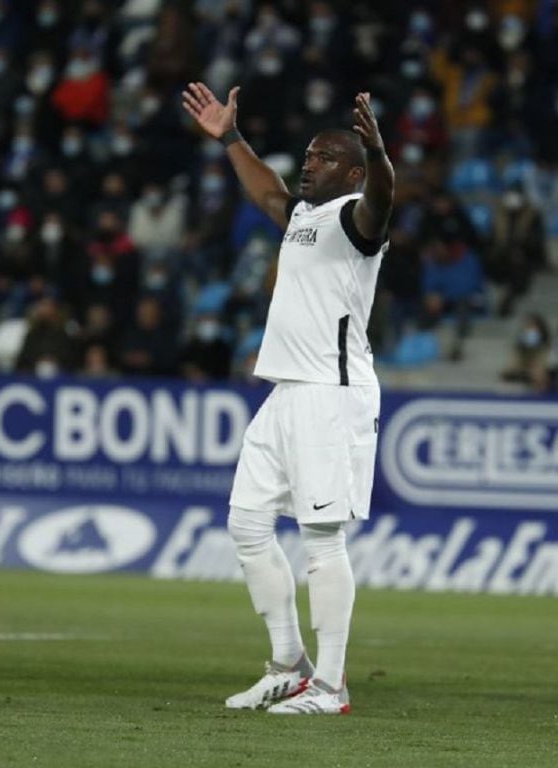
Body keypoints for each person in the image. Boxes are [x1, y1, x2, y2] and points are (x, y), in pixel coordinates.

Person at [182, 82, 393, 714]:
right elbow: (268, 192)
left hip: (333, 394)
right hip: (285, 392)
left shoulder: (360, 219)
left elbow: (382, 199)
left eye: (323, 158)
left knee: (321, 539)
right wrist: (231, 138)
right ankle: (287, 663)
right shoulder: (303, 215)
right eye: (307, 155)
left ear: (352, 172)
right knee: (247, 521)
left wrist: (381, 156)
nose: (308, 164)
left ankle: (331, 684)